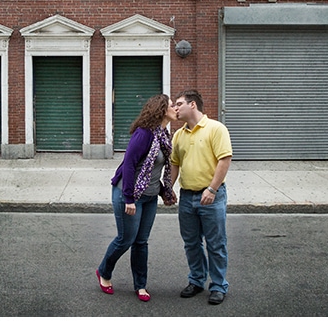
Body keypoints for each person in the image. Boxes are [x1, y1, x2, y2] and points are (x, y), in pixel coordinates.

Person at [96, 94, 178, 302]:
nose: (175, 108)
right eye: (171, 105)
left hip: (149, 197)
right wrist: (129, 199)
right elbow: (130, 165)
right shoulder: (144, 134)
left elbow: (153, 170)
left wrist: (163, 191)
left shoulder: (163, 135)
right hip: (129, 194)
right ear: (161, 110)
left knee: (141, 241)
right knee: (126, 239)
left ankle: (140, 285)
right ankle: (104, 272)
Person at [171, 89, 232, 305]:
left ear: (193, 105)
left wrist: (212, 189)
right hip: (187, 197)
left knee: (216, 243)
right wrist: (168, 188)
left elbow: (224, 160)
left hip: (211, 196)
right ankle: (196, 280)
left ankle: (218, 285)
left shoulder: (216, 129)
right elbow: (175, 164)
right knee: (191, 243)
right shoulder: (178, 135)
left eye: (179, 104)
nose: (175, 108)